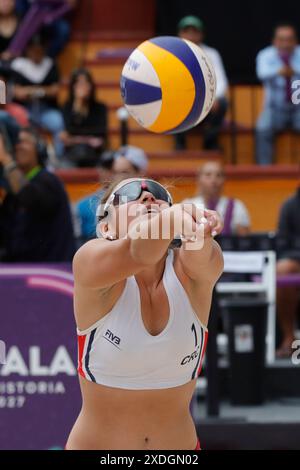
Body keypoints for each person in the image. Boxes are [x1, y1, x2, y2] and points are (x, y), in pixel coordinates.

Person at [66, 176, 223, 450]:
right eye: (129, 194)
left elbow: (201, 256)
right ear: (106, 227)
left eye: (158, 194)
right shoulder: (89, 260)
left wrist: (200, 231)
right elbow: (138, 252)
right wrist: (172, 217)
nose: (148, 197)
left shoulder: (190, 269)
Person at [0, 127, 75, 261]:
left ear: (39, 148)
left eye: (23, 142)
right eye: (15, 143)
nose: (17, 146)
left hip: (51, 273)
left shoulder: (49, 181)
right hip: (20, 274)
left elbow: (29, 197)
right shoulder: (12, 192)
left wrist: (6, 159)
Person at [74, 145, 149, 243]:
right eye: (115, 172)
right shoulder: (97, 204)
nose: (117, 177)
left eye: (124, 172)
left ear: (140, 173)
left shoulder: (154, 202)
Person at [176, 15, 228, 151]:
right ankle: (179, 143)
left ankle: (210, 142)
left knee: (222, 102)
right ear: (180, 34)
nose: (191, 35)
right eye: (187, 31)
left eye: (194, 32)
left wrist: (213, 98)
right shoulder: (172, 53)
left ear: (201, 35)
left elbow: (221, 80)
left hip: (205, 102)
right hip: (182, 101)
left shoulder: (212, 54)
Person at [10, 33, 64, 158]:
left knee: (58, 122)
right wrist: (43, 91)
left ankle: (60, 157)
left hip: (46, 109)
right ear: (28, 50)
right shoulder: (18, 65)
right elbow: (18, 93)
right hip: (24, 109)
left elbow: (55, 90)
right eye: (33, 50)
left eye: (40, 50)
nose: (36, 53)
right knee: (20, 127)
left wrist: (31, 91)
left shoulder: (50, 64)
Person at [255, 23, 300, 165]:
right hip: (274, 108)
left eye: (289, 39)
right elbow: (262, 74)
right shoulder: (265, 54)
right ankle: (264, 172)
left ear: (295, 41)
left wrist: (294, 71)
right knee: (262, 128)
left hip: (298, 108)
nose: (286, 44)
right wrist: (278, 71)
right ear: (274, 41)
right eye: (282, 39)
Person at [183, 160, 251, 235]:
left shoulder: (237, 206)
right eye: (208, 175)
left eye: (218, 175)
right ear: (198, 179)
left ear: (224, 179)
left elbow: (244, 238)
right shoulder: (188, 205)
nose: (213, 180)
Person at [60, 68, 108, 168]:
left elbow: (100, 132)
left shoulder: (100, 107)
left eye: (86, 83)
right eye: (79, 84)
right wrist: (78, 104)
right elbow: (69, 130)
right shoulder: (67, 107)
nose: (83, 87)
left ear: (91, 86)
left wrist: (75, 138)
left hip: (95, 154)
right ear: (73, 87)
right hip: (72, 153)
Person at [276, 183, 300, 357]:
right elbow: (282, 244)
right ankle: (289, 337)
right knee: (283, 268)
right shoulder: (290, 205)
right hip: (297, 260)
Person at [10, 0, 77, 58]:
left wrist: (50, 17)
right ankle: (15, 51)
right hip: (33, 10)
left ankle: (48, 59)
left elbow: (69, 4)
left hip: (54, 14)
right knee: (23, 24)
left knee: (63, 30)